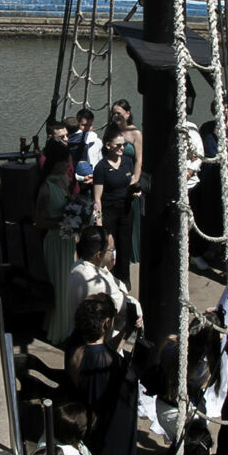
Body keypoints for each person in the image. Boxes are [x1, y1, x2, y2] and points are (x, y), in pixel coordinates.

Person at [66, 293, 137, 455]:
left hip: (86, 426)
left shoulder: (76, 348)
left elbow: (103, 350)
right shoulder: (112, 365)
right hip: (109, 437)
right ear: (106, 322)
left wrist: (126, 331)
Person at [35, 142, 80, 344]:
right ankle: (60, 330)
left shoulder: (63, 180)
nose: (68, 166)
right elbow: (40, 221)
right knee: (60, 285)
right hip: (55, 242)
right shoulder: (45, 189)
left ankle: (64, 323)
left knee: (67, 283)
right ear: (56, 163)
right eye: (65, 162)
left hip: (67, 240)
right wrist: (63, 222)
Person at [63, 227, 139, 343]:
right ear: (99, 255)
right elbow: (130, 308)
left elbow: (120, 286)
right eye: (111, 249)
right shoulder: (95, 283)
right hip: (98, 347)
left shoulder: (79, 266)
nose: (113, 252)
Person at [91, 128, 137, 281]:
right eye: (118, 145)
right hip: (109, 211)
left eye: (123, 145)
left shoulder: (128, 162)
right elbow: (97, 199)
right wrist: (99, 220)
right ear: (108, 145)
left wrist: (136, 192)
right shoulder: (101, 168)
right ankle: (109, 280)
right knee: (110, 248)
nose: (121, 148)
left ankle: (125, 281)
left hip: (126, 210)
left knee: (125, 246)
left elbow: (131, 184)